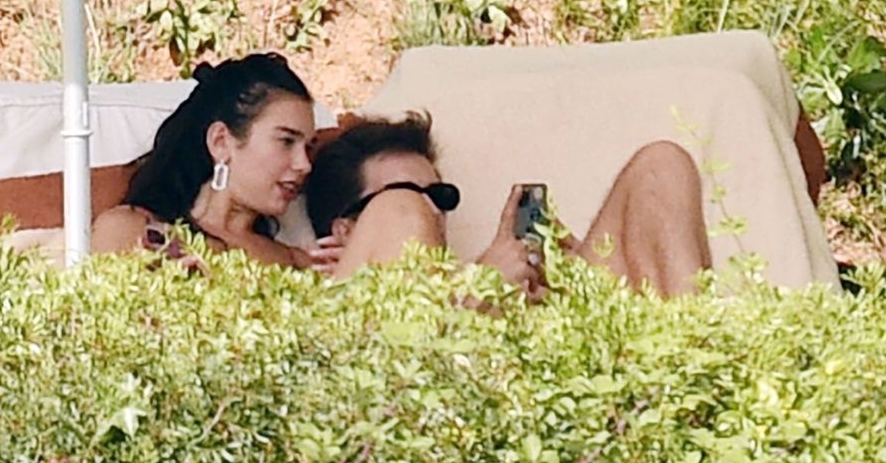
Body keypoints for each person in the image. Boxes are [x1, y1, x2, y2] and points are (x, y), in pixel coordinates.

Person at [304, 112, 714, 298]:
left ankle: (699, 363)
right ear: (345, 230)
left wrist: (576, 282)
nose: (430, 210)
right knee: (400, 212)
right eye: (407, 191)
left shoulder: (489, 268)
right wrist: (483, 286)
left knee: (661, 167)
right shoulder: (330, 307)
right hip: (437, 412)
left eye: (440, 197)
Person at [91, 53, 318, 268]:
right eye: (286, 141)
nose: (305, 165)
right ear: (221, 142)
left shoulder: (299, 264)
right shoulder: (134, 232)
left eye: (308, 148)